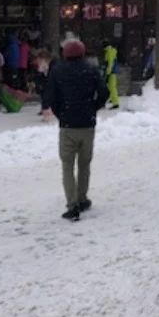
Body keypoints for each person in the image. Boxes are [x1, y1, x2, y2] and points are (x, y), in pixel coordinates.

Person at [42, 38, 108, 221]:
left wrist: (61, 114)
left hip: (68, 125)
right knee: (84, 164)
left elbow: (50, 97)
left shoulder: (57, 71)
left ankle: (72, 205)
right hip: (87, 124)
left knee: (67, 166)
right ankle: (82, 198)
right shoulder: (91, 69)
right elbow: (104, 93)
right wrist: (93, 107)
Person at [102, 38, 120, 109]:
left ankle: (116, 103)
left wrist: (107, 73)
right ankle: (112, 99)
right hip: (112, 71)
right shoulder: (111, 50)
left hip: (111, 72)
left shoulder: (109, 51)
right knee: (110, 86)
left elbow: (110, 63)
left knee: (112, 87)